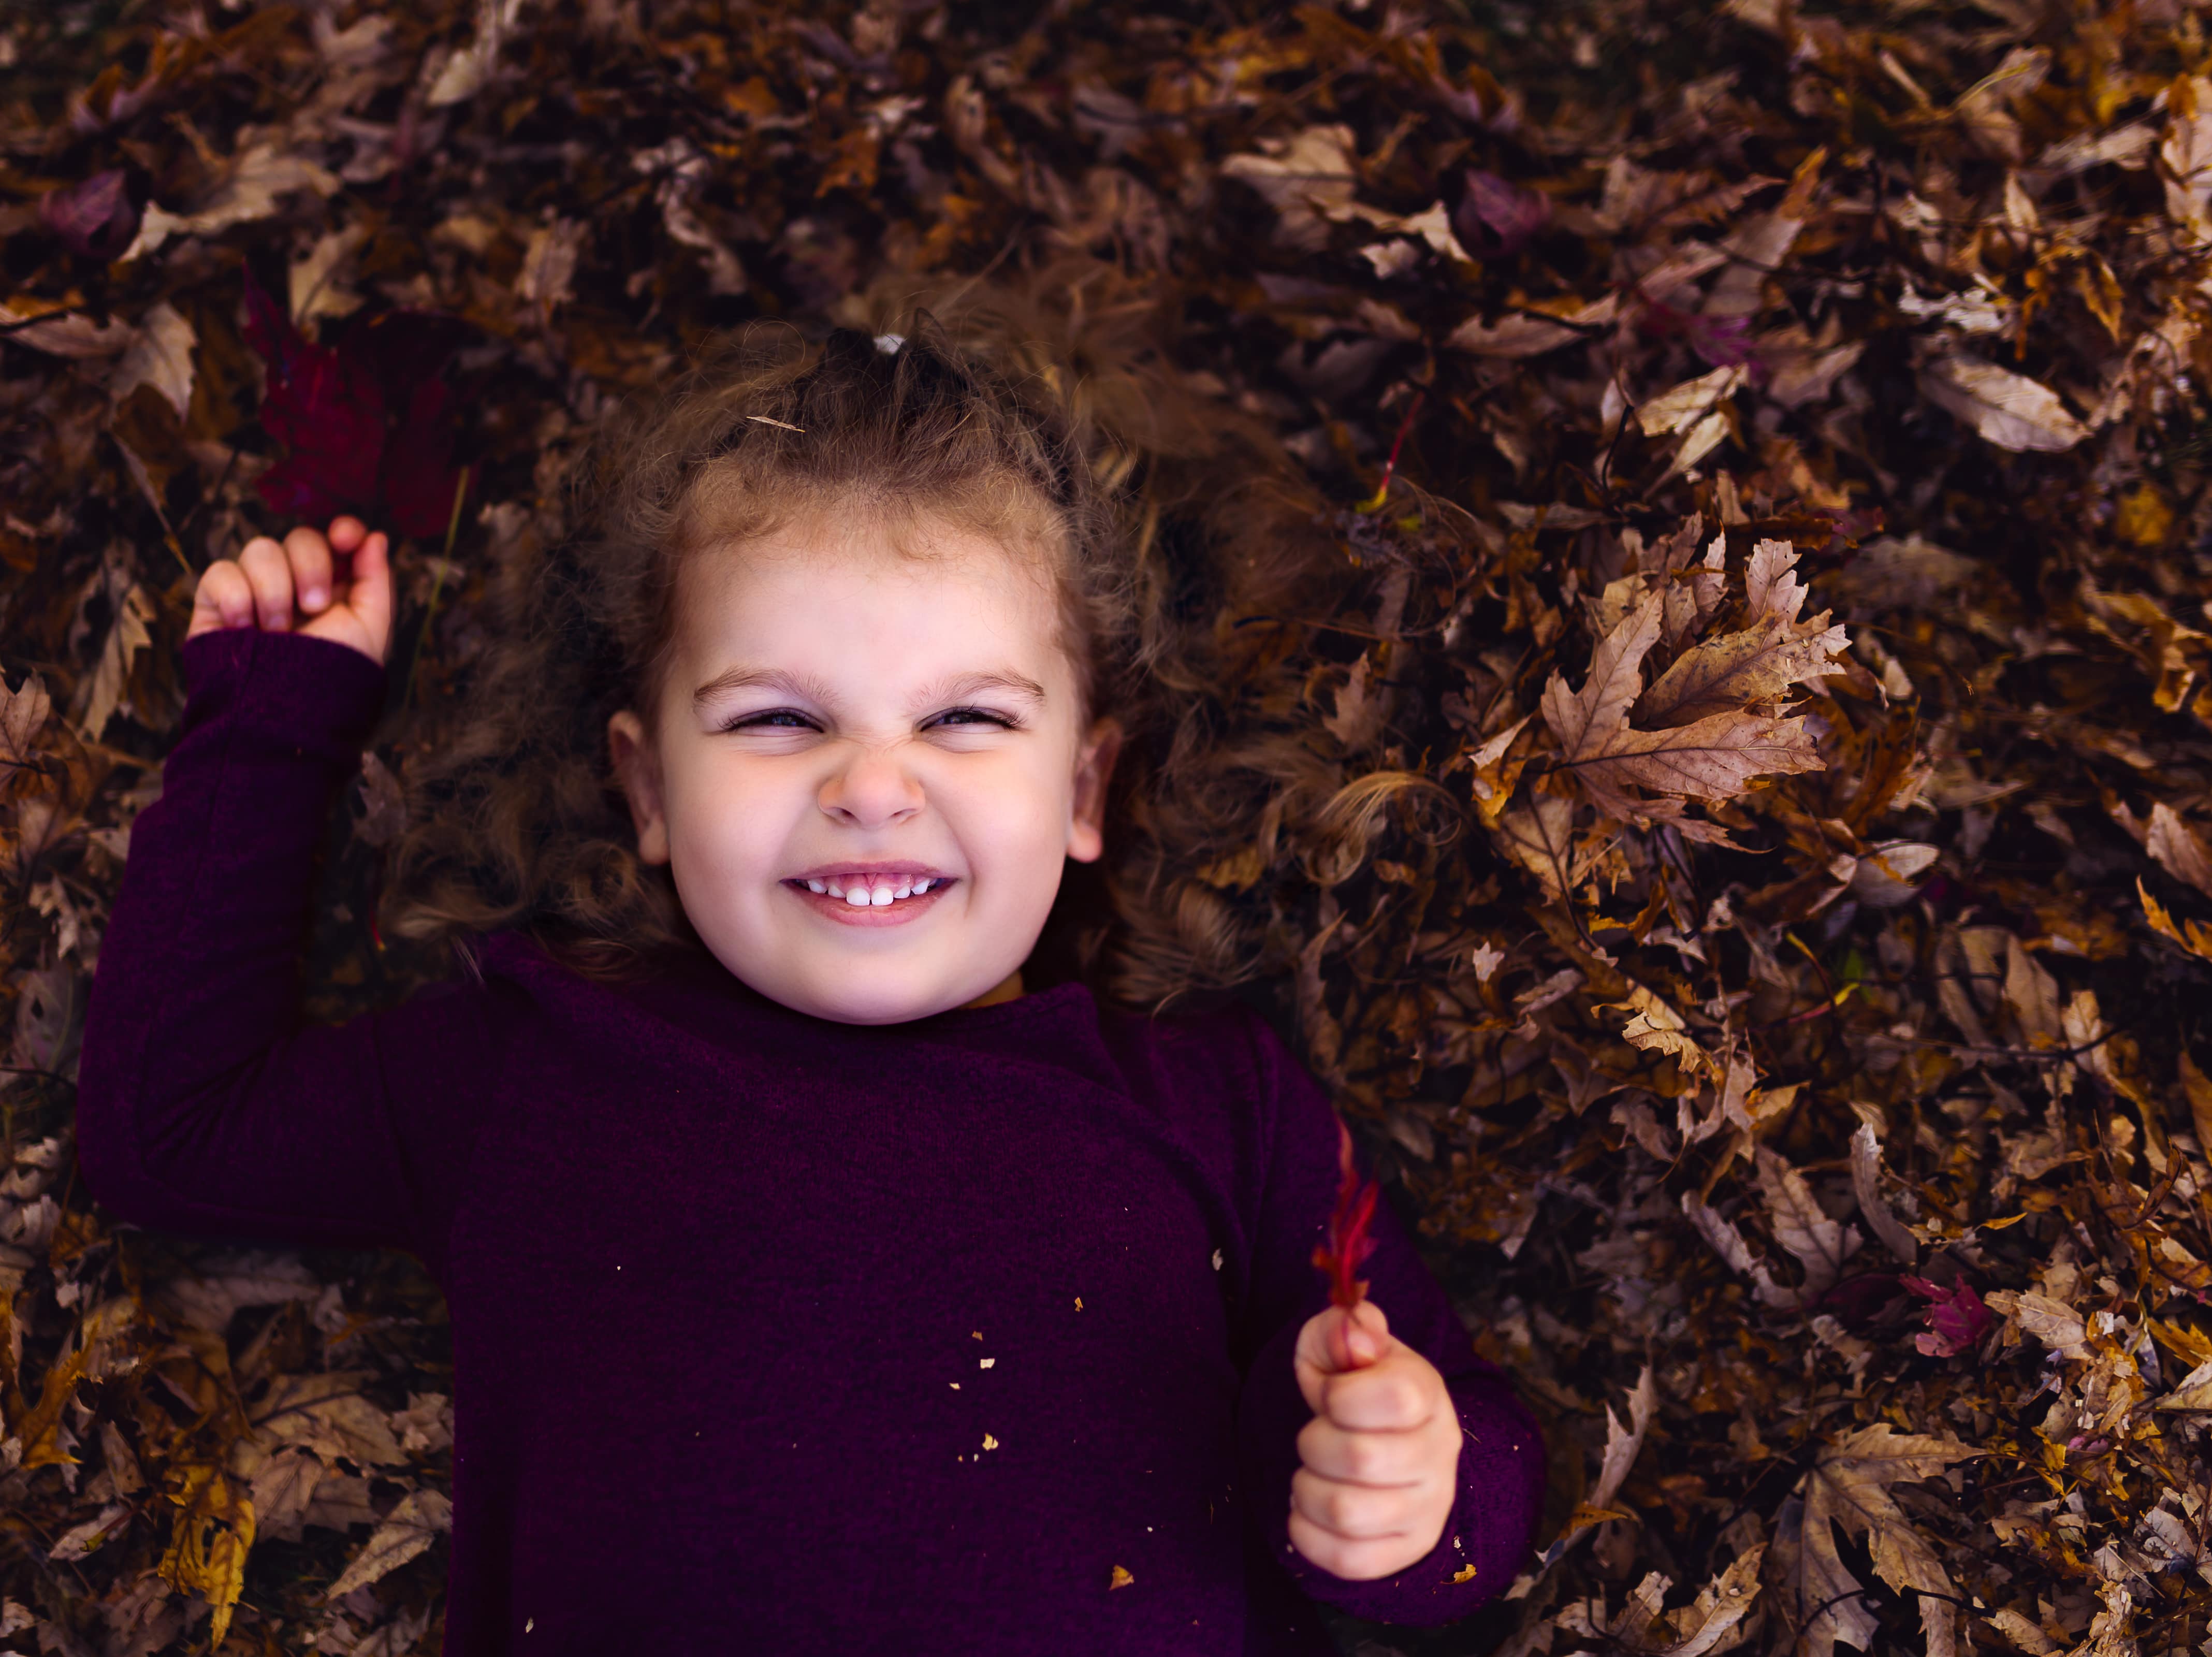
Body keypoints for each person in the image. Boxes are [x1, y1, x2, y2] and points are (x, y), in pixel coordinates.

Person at [75, 272, 1547, 1654]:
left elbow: (1467, 1518)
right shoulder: (538, 1066)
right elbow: (169, 1131)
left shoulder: (1218, 1106)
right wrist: (273, 730)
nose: (872, 785)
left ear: (1087, 791)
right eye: (779, 720)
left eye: (966, 720)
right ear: (647, 793)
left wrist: (1412, 1503)